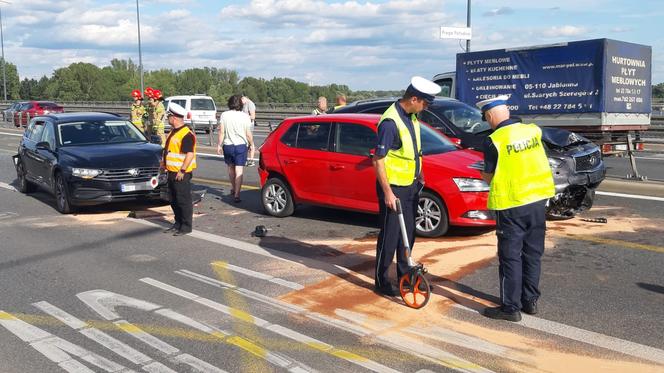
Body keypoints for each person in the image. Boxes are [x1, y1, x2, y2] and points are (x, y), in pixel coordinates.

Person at [478, 95, 555, 322]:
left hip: (511, 205)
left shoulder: (494, 140)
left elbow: (490, 175)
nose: (487, 122)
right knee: (533, 254)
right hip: (538, 201)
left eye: (486, 118)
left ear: (490, 116)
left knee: (510, 257)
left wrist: (481, 173)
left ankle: (510, 308)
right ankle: (530, 301)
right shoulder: (533, 131)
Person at [372, 76, 441, 296]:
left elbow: (414, 151)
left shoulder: (412, 118)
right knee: (390, 237)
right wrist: (388, 192)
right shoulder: (390, 122)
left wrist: (420, 174)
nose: (426, 108)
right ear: (414, 99)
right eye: (425, 103)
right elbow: (378, 159)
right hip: (395, 189)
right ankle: (381, 281)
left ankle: (405, 276)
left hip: (411, 186)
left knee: (407, 234)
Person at [162, 103, 197, 236]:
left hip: (181, 173)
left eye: (169, 116)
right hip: (171, 171)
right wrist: (163, 164)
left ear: (174, 118)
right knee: (173, 199)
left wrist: (182, 170)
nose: (167, 118)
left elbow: (189, 154)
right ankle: (177, 223)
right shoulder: (173, 131)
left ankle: (186, 226)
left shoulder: (186, 134)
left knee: (183, 200)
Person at [217, 94, 255, 203]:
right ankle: (237, 194)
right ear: (241, 104)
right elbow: (248, 134)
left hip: (228, 145)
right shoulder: (245, 116)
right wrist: (251, 144)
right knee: (239, 170)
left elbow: (221, 132)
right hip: (241, 146)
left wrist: (219, 145)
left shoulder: (224, 115)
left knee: (230, 168)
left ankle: (233, 188)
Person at [241, 95, 257, 165]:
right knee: (245, 142)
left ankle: (251, 160)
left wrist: (243, 116)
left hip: (249, 125)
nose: (241, 101)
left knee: (250, 142)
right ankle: (245, 159)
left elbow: (253, 116)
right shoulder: (244, 104)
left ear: (245, 98)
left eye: (242, 99)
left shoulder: (250, 104)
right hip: (244, 125)